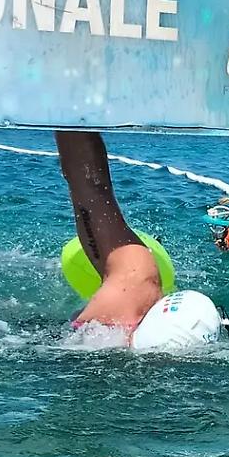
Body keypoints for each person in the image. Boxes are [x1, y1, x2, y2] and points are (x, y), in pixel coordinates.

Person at [54, 133, 163, 330]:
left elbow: (88, 183)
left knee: (89, 190)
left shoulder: (137, 275)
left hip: (116, 308)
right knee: (89, 193)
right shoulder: (138, 280)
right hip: (113, 319)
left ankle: (71, 120)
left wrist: (69, 114)